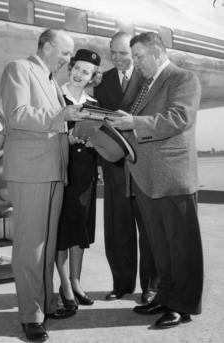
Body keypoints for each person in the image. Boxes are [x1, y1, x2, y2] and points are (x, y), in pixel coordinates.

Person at [109, 31, 204, 329]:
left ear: (158, 53)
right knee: (160, 246)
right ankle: (164, 297)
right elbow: (138, 120)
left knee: (181, 245)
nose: (135, 63)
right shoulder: (146, 83)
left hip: (173, 177)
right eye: (133, 58)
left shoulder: (182, 78)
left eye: (138, 57)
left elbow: (179, 118)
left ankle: (183, 305)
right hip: (147, 177)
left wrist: (133, 122)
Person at [0, 29, 89, 342]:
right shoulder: (19, 69)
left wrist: (70, 132)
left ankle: (47, 304)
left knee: (48, 245)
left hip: (52, 169)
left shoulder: (50, 80)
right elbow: (17, 115)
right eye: (66, 53)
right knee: (30, 247)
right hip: (30, 170)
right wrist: (61, 115)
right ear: (48, 46)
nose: (69, 59)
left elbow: (53, 123)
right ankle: (31, 317)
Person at [94, 31, 157, 302]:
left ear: (134, 54)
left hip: (143, 163)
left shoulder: (149, 78)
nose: (118, 58)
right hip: (115, 165)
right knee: (118, 227)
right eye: (114, 53)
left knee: (149, 229)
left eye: (124, 53)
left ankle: (151, 285)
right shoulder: (102, 80)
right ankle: (121, 283)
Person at [56, 49, 101, 311]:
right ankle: (64, 285)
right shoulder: (54, 95)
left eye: (86, 71)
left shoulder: (94, 105)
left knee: (81, 230)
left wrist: (95, 141)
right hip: (61, 170)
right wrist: (67, 137)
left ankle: (76, 281)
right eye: (76, 67)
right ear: (70, 67)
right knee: (63, 230)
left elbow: (100, 140)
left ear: (92, 77)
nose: (79, 73)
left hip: (85, 175)